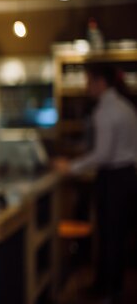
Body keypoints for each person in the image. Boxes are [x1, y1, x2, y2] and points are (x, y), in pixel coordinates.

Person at [54, 64, 137, 302]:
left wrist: (69, 167)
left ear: (101, 82)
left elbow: (102, 155)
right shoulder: (126, 106)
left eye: (88, 81)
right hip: (127, 176)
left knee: (110, 235)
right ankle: (110, 286)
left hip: (112, 179)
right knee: (117, 235)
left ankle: (109, 291)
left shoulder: (105, 110)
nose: (86, 86)